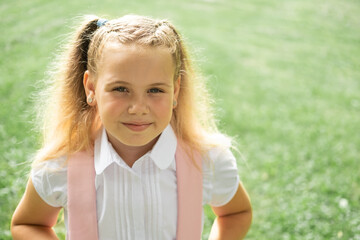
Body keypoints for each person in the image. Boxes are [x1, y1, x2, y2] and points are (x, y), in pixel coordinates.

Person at [11, 14, 252, 239]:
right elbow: (28, 224)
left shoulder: (206, 160)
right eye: (120, 89)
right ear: (91, 88)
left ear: (175, 90)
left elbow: (235, 212)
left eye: (155, 90)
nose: (138, 107)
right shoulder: (60, 165)